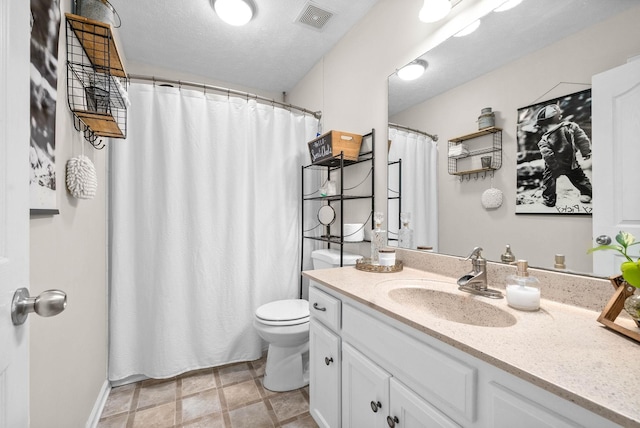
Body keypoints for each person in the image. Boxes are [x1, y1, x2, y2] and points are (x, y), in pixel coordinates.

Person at [535, 104, 592, 207]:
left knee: (549, 182)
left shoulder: (544, 140)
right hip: (570, 162)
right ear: (559, 117)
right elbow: (582, 139)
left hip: (554, 165)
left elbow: (547, 155)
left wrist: (554, 167)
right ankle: (587, 193)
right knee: (580, 178)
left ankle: (549, 200)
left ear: (543, 125)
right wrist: (586, 152)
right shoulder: (570, 127)